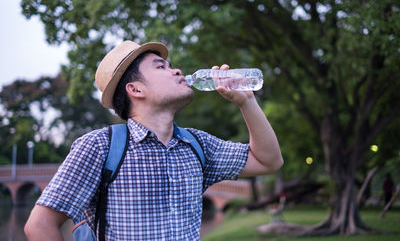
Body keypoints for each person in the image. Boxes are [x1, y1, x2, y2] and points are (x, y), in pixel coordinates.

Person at [24, 41, 283, 240]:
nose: (177, 70)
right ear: (136, 89)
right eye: (161, 67)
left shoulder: (198, 145)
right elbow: (40, 225)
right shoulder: (100, 147)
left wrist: (247, 102)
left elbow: (268, 160)